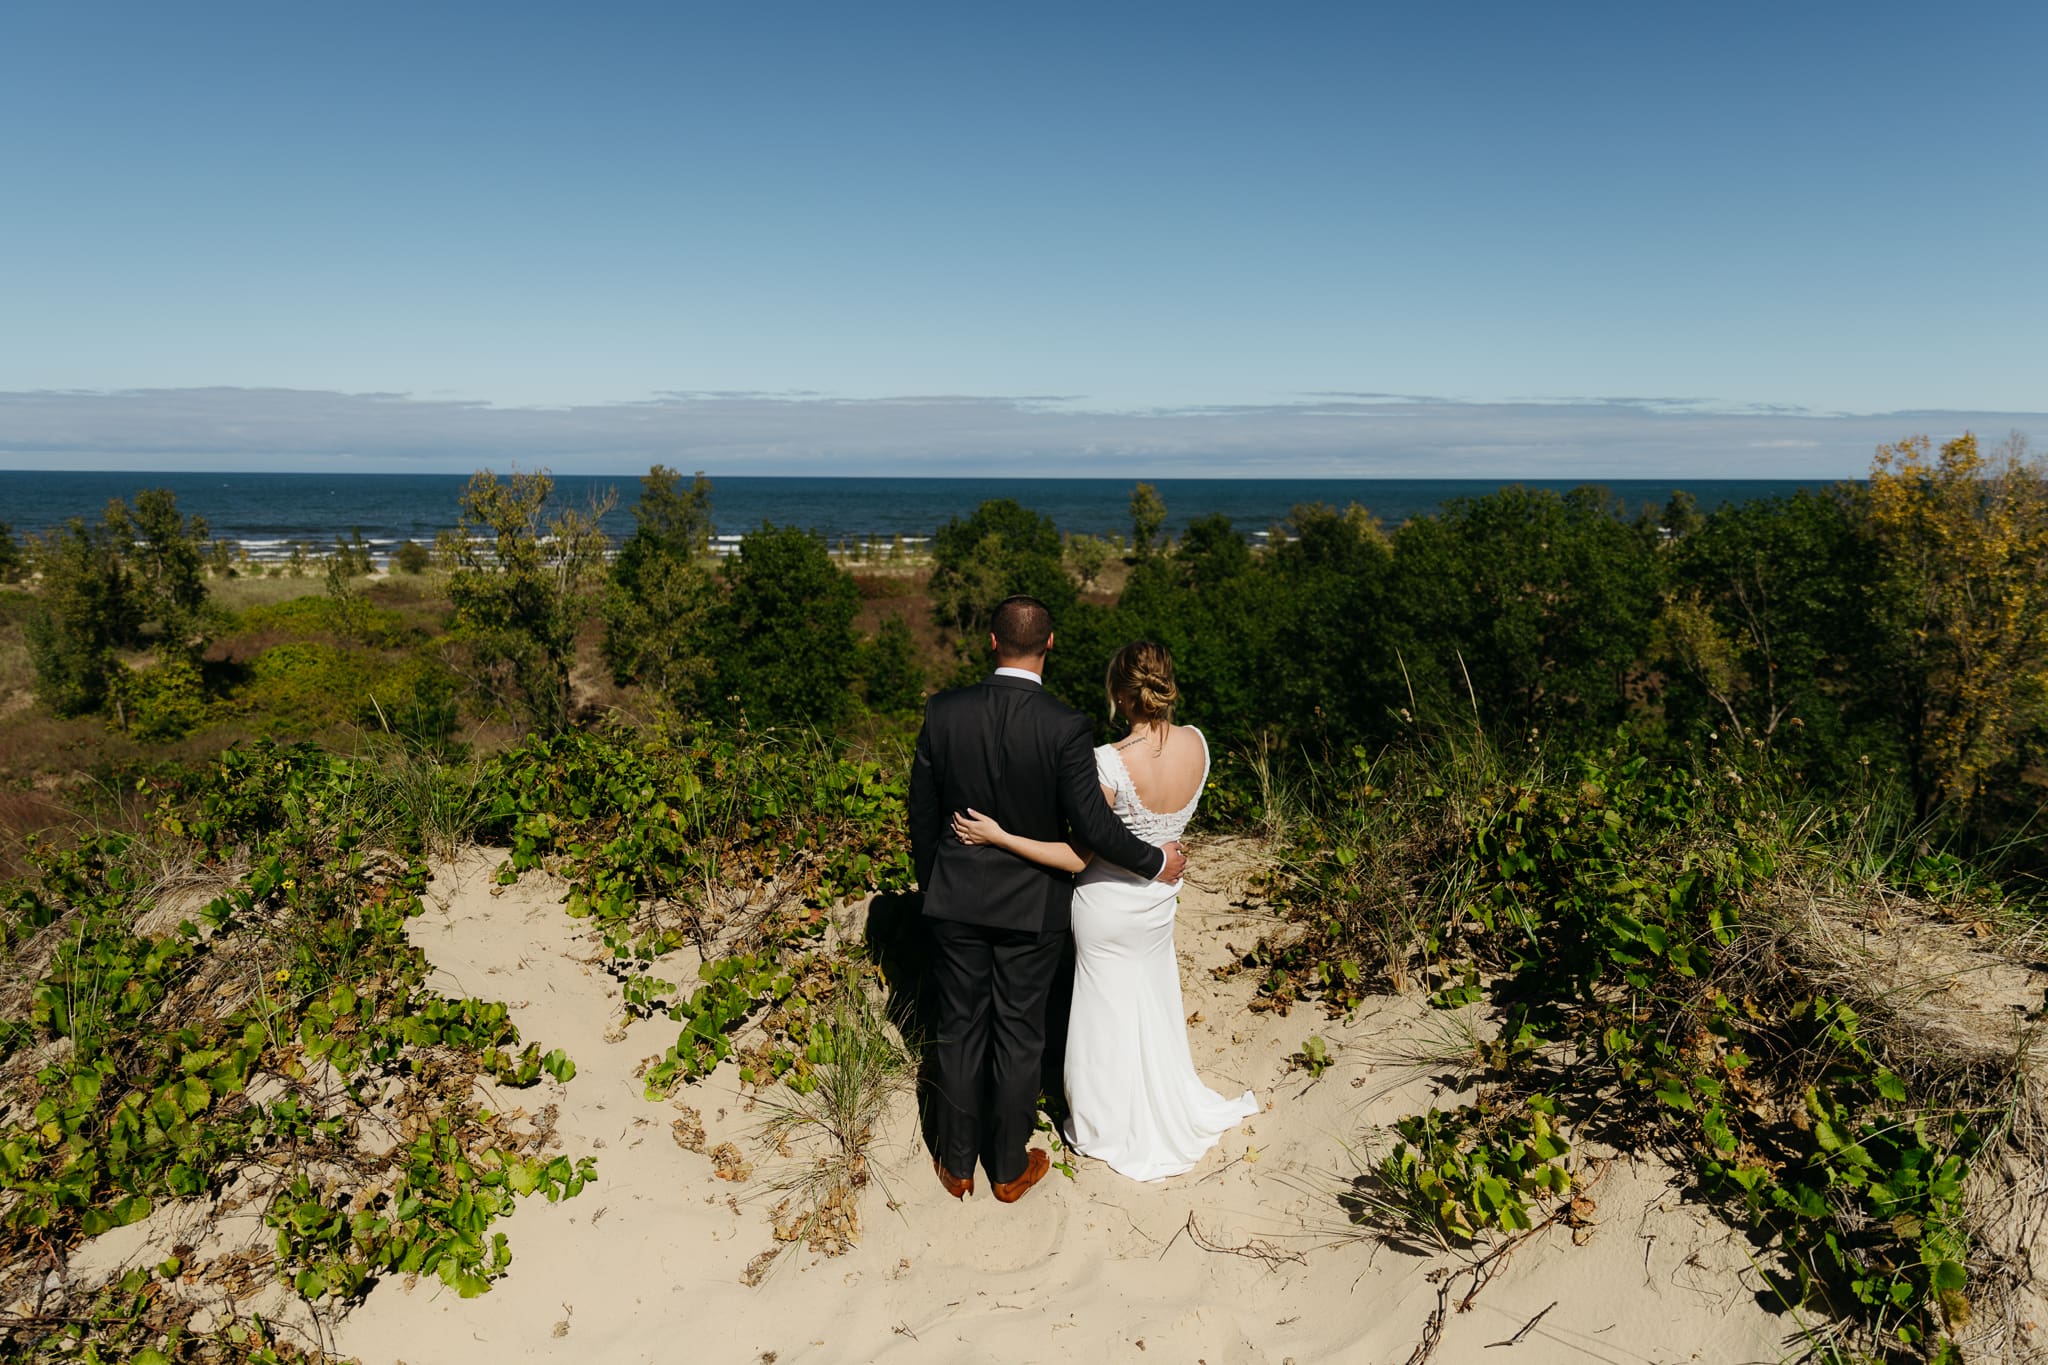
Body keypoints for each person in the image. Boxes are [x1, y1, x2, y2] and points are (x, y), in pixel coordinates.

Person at [908, 597, 1187, 1203]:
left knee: (956, 1029)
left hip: (954, 899)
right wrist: (1155, 860)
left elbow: (922, 811)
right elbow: (1093, 829)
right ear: (1051, 644)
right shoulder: (1066, 725)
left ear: (991, 642)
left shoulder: (944, 711)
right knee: (1018, 1033)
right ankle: (1008, 1169)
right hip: (1032, 907)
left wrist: (934, 884)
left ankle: (956, 1166)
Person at [951, 640, 1258, 1181]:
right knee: (1149, 1001)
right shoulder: (1199, 745)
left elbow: (1075, 856)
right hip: (1160, 899)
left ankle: (1105, 1123)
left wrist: (999, 836)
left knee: (1101, 1016)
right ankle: (1158, 1100)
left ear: (1119, 694)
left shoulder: (1110, 763)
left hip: (1107, 905)